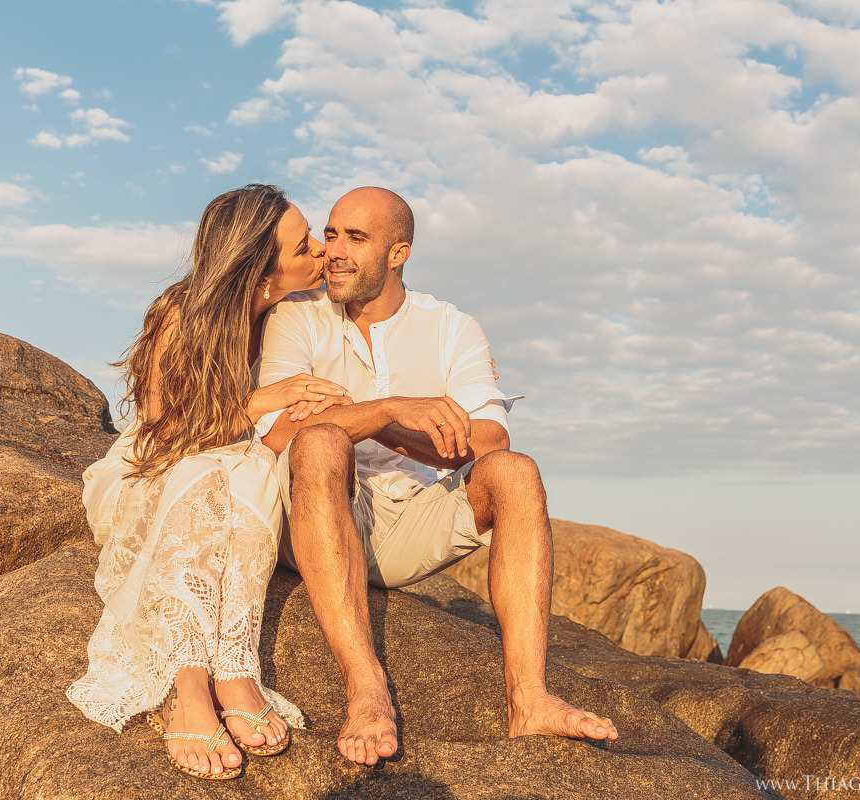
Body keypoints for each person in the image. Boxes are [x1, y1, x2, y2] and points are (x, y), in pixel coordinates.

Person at [256, 186, 619, 766]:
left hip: (408, 519)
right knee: (321, 441)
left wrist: (377, 427)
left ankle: (530, 700)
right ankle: (366, 687)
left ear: (398, 253)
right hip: (313, 513)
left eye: (356, 238)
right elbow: (277, 433)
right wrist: (391, 409)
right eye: (330, 234)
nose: (335, 252)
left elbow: (489, 439)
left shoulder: (451, 326)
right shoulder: (296, 318)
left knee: (515, 473)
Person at [67, 184, 352, 780]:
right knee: (208, 472)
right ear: (260, 267)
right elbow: (159, 438)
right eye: (305, 246)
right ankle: (188, 680)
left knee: (247, 470)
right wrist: (264, 401)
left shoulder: (287, 317)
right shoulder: (182, 313)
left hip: (230, 466)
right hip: (150, 470)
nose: (321, 253)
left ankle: (235, 669)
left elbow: (263, 443)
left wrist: (294, 419)